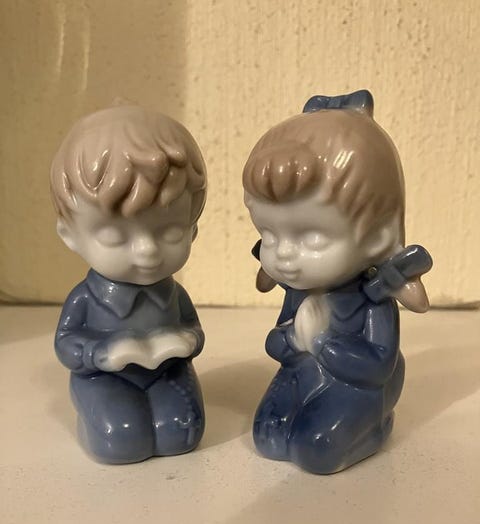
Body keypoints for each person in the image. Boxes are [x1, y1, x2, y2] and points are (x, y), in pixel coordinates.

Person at [243, 90, 432, 474]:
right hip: (299, 376)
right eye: (270, 235)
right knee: (267, 437)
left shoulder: (372, 300)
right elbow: (277, 343)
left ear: (378, 236)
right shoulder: (298, 291)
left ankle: (376, 426)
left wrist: (320, 343)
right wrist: (292, 340)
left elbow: (378, 366)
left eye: (312, 238)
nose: (284, 255)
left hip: (355, 388)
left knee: (316, 450)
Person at [52, 104, 207, 464]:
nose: (146, 251)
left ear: (193, 229)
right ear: (70, 235)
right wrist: (98, 355)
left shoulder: (173, 294)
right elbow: (65, 343)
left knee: (180, 433)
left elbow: (194, 329)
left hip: (168, 374)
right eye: (114, 236)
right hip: (103, 379)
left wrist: (187, 341)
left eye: (170, 232)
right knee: (121, 439)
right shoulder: (85, 299)